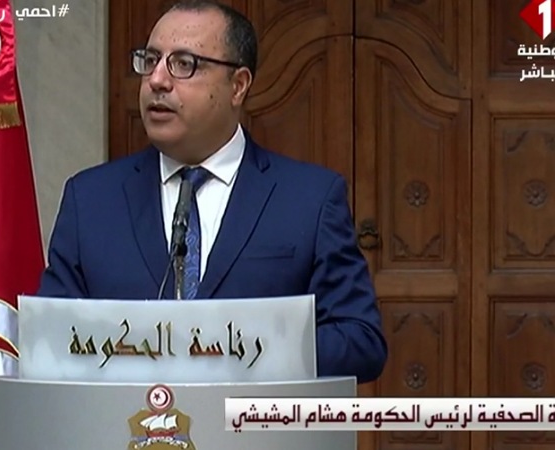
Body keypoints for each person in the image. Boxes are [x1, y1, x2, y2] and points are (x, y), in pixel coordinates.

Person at [37, 0, 387, 383]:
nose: (157, 80)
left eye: (184, 64)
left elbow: (361, 342)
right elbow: (49, 341)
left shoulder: (310, 199)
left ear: (238, 85)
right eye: (150, 60)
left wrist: (241, 349)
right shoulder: (90, 200)